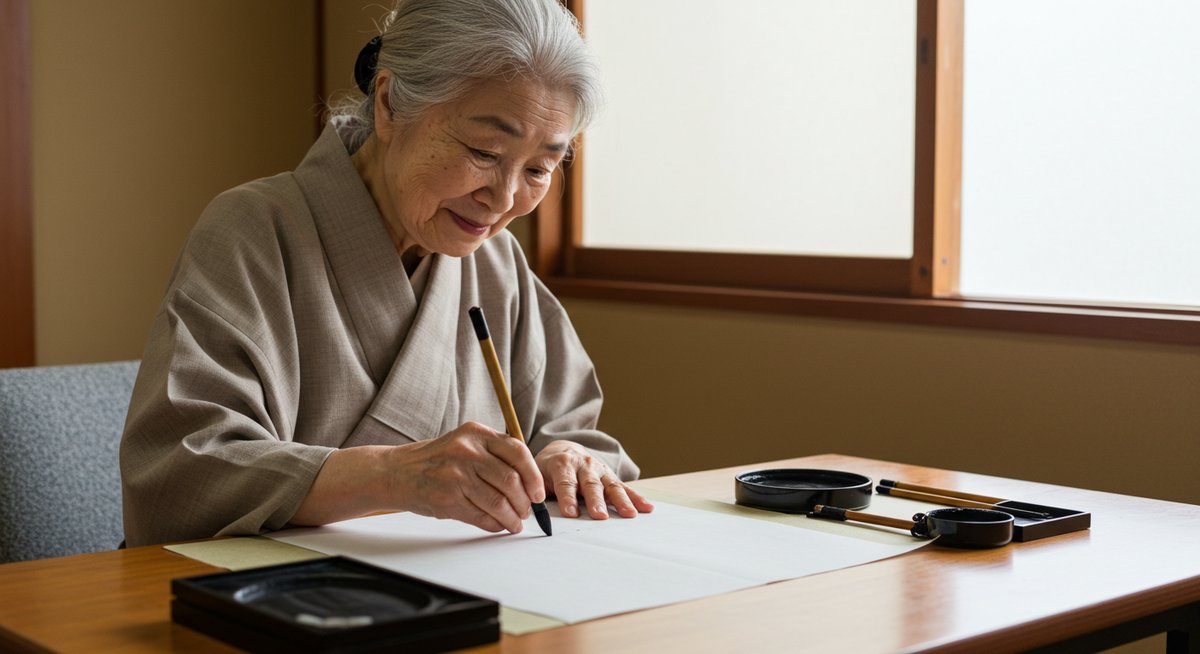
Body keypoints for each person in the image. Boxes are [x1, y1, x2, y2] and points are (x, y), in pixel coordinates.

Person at [119, 0, 652, 548]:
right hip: (277, 597)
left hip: (462, 589)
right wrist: (393, 476)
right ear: (388, 105)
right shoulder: (254, 229)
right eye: (485, 152)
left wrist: (567, 458)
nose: (506, 198)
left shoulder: (496, 262)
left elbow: (569, 431)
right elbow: (184, 468)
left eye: (538, 168)